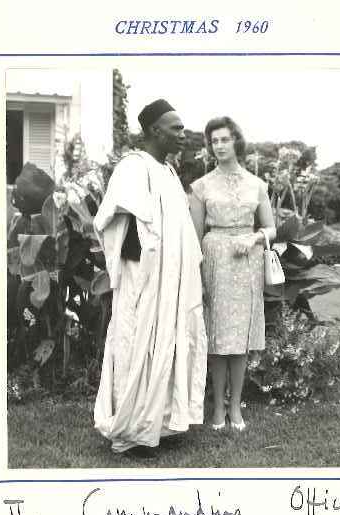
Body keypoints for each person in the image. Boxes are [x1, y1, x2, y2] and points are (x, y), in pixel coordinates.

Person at [93, 99, 207, 459]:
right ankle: (132, 430)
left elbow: (179, 227)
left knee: (168, 344)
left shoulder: (168, 172)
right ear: (155, 130)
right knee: (137, 345)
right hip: (143, 277)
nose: (183, 134)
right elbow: (114, 220)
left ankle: (159, 424)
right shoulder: (133, 167)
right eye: (176, 128)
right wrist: (147, 264)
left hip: (171, 279)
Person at [189, 117, 275, 432]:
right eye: (214, 141)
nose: (220, 146)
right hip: (214, 260)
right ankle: (217, 407)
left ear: (236, 141)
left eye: (225, 139)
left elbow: (271, 228)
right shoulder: (201, 186)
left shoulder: (257, 185)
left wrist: (254, 238)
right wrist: (197, 276)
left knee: (239, 337)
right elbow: (195, 237)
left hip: (246, 263)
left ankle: (235, 406)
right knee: (217, 336)